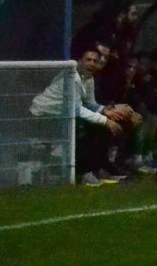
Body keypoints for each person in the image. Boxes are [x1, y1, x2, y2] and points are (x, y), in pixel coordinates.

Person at [29, 46, 139, 185]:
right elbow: (76, 109)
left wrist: (106, 111)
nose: (92, 63)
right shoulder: (72, 78)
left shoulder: (89, 78)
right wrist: (105, 120)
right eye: (88, 60)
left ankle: (100, 167)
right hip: (40, 117)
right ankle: (83, 172)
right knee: (87, 129)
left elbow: (90, 104)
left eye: (95, 61)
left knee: (103, 124)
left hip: (62, 116)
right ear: (79, 61)